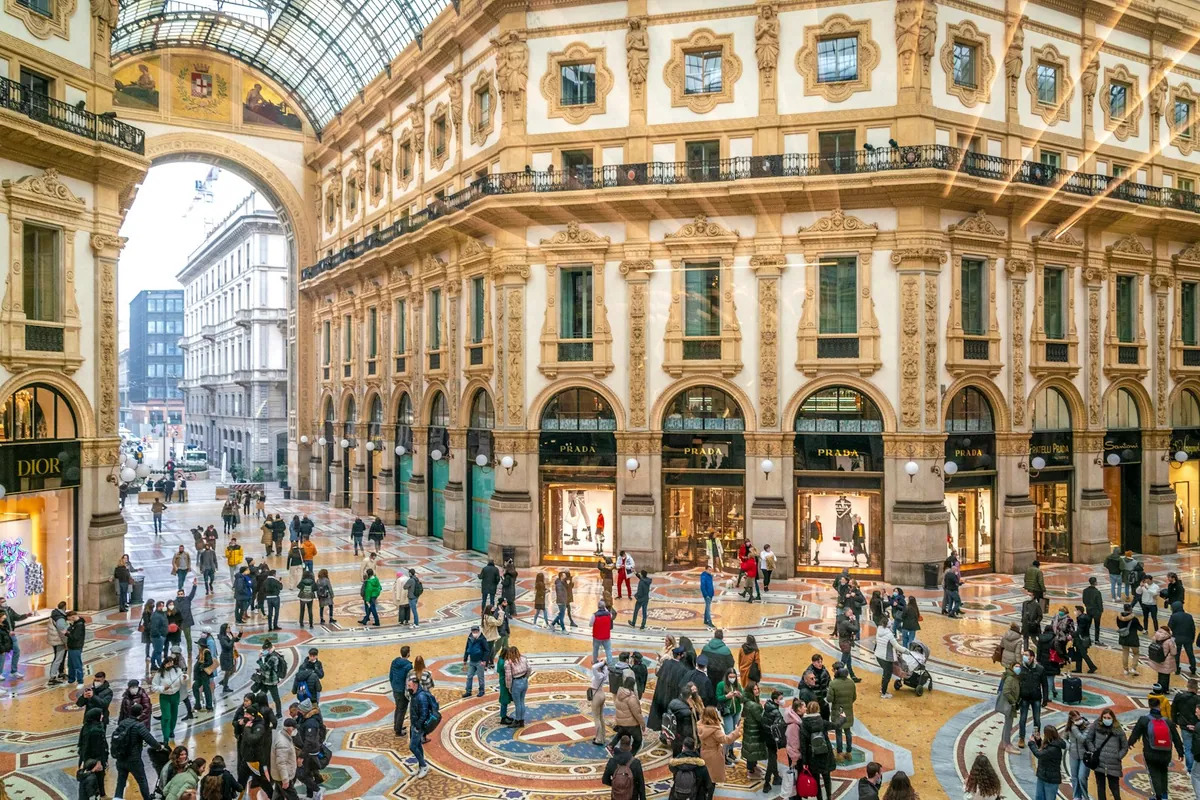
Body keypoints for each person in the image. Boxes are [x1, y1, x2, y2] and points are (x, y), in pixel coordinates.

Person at [1128, 695, 1184, 800]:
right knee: (1163, 773)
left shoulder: (1144, 720)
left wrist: (1129, 743)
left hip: (1151, 753)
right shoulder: (1167, 721)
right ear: (1160, 706)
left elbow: (1135, 734)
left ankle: (1158, 796)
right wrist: (1180, 752)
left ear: (1149, 706)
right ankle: (1164, 796)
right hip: (1166, 753)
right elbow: (1176, 738)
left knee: (1154, 774)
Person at [112, 701, 163, 800]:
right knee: (142, 780)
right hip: (134, 760)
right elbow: (150, 740)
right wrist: (159, 747)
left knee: (121, 781)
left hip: (121, 758)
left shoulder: (123, 722)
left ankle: (117, 798)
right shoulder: (139, 726)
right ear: (140, 713)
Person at [1087, 708, 1129, 800]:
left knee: (1114, 788)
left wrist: (1118, 756)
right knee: (1100, 787)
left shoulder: (1118, 730)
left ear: (1113, 718)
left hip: (1113, 764)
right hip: (1099, 762)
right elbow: (1089, 740)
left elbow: (1125, 746)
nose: (1106, 719)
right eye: (1104, 717)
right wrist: (1094, 751)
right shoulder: (1096, 726)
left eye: (1108, 717)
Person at [801, 698, 839, 800]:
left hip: (812, 755)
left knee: (816, 779)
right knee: (827, 777)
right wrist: (843, 718)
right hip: (825, 753)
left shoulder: (804, 724)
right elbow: (836, 725)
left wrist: (804, 761)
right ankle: (829, 797)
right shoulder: (822, 722)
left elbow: (803, 744)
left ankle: (819, 798)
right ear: (818, 710)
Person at [407, 672, 436, 778]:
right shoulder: (414, 694)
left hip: (418, 726)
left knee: (412, 746)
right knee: (418, 745)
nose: (408, 687)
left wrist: (418, 726)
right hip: (414, 724)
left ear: (415, 685)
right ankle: (420, 766)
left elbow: (423, 714)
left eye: (409, 686)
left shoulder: (421, 697)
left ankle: (423, 765)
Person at [602, 734, 646, 800]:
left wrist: (618, 786)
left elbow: (604, 780)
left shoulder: (612, 761)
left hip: (616, 796)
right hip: (632, 796)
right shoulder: (636, 763)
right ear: (630, 747)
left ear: (619, 746)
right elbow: (641, 785)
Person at [1028, 724, 1066, 800]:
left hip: (1051, 780)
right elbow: (1044, 750)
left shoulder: (1054, 749)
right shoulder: (1051, 743)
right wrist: (1038, 741)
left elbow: (1040, 754)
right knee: (1039, 797)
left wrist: (1031, 743)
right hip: (1043, 776)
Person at [153, 653, 185, 743]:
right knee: (166, 717)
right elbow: (154, 686)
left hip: (175, 695)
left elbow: (182, 678)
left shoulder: (177, 670)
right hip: (165, 697)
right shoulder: (159, 673)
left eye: (171, 663)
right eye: (168, 663)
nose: (170, 665)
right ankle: (165, 736)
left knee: (174, 715)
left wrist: (185, 678)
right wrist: (163, 688)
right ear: (164, 664)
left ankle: (171, 731)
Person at [1017, 649, 1045, 748]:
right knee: (1023, 718)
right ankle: (1021, 737)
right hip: (1024, 697)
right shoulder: (1020, 668)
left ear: (1032, 657)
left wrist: (1045, 698)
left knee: (1037, 719)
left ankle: (1036, 737)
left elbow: (1044, 685)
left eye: (1026, 655)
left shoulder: (1040, 669)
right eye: (1023, 655)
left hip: (1036, 697)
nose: (1024, 656)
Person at [828, 664, 857, 760]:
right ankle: (849, 752)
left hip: (838, 711)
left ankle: (839, 753)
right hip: (848, 711)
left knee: (838, 732)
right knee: (848, 732)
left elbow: (830, 699)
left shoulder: (833, 683)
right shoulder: (851, 683)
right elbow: (854, 697)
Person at [874, 621, 907, 699]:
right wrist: (906, 651)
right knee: (887, 675)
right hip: (886, 658)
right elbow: (897, 646)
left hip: (878, 656)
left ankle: (882, 689)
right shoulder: (889, 635)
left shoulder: (879, 630)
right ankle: (884, 693)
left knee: (885, 673)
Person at [1065, 710, 1091, 800]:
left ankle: (1085, 796)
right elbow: (1064, 738)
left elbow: (1083, 739)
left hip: (1085, 756)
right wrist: (1069, 746)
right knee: (1074, 777)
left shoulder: (1087, 725)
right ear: (1071, 720)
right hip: (1073, 755)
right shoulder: (1069, 727)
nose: (1079, 720)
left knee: (1082, 777)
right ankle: (1076, 796)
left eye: (1079, 718)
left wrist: (1074, 729)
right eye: (1076, 719)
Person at [996, 662, 1020, 754]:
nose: (1018, 668)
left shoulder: (1013, 677)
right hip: (1010, 704)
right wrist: (1013, 701)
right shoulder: (1010, 678)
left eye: (1019, 666)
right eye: (1016, 666)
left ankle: (1004, 742)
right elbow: (1006, 691)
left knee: (1008, 723)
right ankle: (1007, 744)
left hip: (1011, 704)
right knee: (1009, 724)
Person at [256, 641, 285, 716]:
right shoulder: (269, 655)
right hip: (265, 679)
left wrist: (259, 660)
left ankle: (279, 714)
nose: (263, 652)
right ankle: (264, 711)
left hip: (272, 681)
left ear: (269, 648)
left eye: (264, 650)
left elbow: (265, 667)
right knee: (261, 696)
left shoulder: (274, 657)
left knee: (276, 698)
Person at [271, 721, 298, 798]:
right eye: (294, 728)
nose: (295, 730)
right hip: (283, 776)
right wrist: (285, 779)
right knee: (292, 795)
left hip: (279, 775)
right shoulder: (283, 743)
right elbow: (281, 763)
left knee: (278, 794)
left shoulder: (282, 734)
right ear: (289, 728)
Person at [1170, 600, 1198, 676]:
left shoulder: (1174, 616)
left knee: (1177, 654)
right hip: (1188, 639)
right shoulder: (1189, 616)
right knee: (1190, 654)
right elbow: (1193, 628)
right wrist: (1192, 638)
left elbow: (1170, 627)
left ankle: (1177, 669)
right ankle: (1193, 668)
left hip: (1177, 639)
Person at [1149, 624, 1179, 693]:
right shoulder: (1169, 641)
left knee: (1160, 674)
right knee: (1166, 676)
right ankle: (1164, 689)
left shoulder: (1155, 637)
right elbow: (1174, 652)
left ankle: (1158, 688)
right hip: (1166, 661)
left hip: (1158, 659)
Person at [506, 645, 531, 728]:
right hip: (524, 681)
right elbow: (529, 668)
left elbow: (509, 676)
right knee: (522, 701)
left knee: (517, 704)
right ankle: (522, 721)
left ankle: (517, 720)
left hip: (516, 683)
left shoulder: (508, 662)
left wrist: (509, 686)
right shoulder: (523, 658)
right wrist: (526, 677)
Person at [1117, 603, 1144, 675]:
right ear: (1131, 609)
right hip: (1133, 638)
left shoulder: (1119, 617)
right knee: (1136, 653)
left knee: (1125, 653)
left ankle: (1125, 670)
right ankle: (1133, 668)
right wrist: (1143, 630)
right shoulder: (1134, 619)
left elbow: (1119, 625)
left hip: (1123, 637)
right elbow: (1139, 627)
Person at [837, 608, 862, 682]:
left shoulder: (841, 619)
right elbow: (856, 629)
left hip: (843, 642)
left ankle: (853, 676)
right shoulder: (845, 622)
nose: (852, 614)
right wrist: (854, 620)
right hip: (846, 643)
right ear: (846, 612)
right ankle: (837, 677)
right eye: (850, 613)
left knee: (848, 662)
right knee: (843, 662)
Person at [463, 625, 488, 697]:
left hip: (480, 661)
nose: (475, 632)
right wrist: (465, 658)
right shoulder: (470, 638)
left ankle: (481, 690)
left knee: (480, 677)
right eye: (473, 631)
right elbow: (467, 648)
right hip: (472, 661)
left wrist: (484, 660)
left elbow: (486, 650)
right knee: (469, 676)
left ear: (478, 631)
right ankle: (468, 691)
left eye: (476, 631)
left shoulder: (482, 639)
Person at [192, 639, 215, 713]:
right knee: (195, 687)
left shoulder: (206, 651)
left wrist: (202, 666)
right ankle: (197, 705)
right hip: (200, 675)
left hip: (204, 675)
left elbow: (210, 661)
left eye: (198, 644)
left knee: (207, 690)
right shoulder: (201, 651)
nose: (197, 646)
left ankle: (209, 707)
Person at [590, 658, 609, 746]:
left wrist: (602, 662)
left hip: (596, 695)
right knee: (601, 716)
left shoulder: (598, 675)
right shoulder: (604, 673)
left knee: (596, 718)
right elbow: (603, 667)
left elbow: (594, 667)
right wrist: (603, 663)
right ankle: (603, 737)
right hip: (602, 693)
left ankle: (598, 739)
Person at [1073, 606, 1098, 673]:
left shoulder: (1082, 619)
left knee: (1083, 654)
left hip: (1081, 639)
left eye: (1075, 610)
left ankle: (1092, 667)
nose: (1074, 612)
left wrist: (1072, 634)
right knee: (1079, 654)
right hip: (1084, 638)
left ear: (1079, 611)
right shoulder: (1085, 618)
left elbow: (1080, 630)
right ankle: (1078, 668)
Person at [1083, 576, 1105, 643]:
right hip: (1096, 611)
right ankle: (1096, 639)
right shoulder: (1097, 592)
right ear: (1095, 582)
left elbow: (1084, 600)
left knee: (1088, 625)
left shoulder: (1085, 591)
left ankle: (1087, 638)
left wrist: (1087, 606)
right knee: (1097, 626)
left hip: (1088, 610)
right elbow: (1099, 602)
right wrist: (1101, 610)